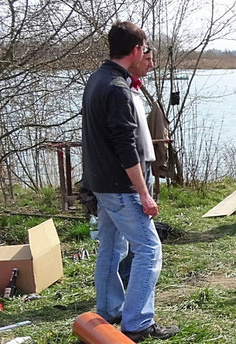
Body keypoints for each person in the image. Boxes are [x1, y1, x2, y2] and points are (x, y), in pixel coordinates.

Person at [81, 21, 178, 341]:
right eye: (145, 49)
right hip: (121, 188)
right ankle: (137, 322)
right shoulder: (117, 89)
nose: (146, 54)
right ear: (136, 50)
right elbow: (126, 149)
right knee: (149, 249)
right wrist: (144, 194)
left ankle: (108, 310)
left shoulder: (98, 79)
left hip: (101, 182)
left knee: (110, 246)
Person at [119, 43, 157, 289]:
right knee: (143, 241)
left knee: (137, 237)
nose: (151, 64)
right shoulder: (120, 90)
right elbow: (124, 142)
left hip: (145, 165)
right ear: (135, 56)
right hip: (133, 171)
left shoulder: (135, 89)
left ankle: (134, 280)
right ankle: (130, 282)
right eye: (147, 59)